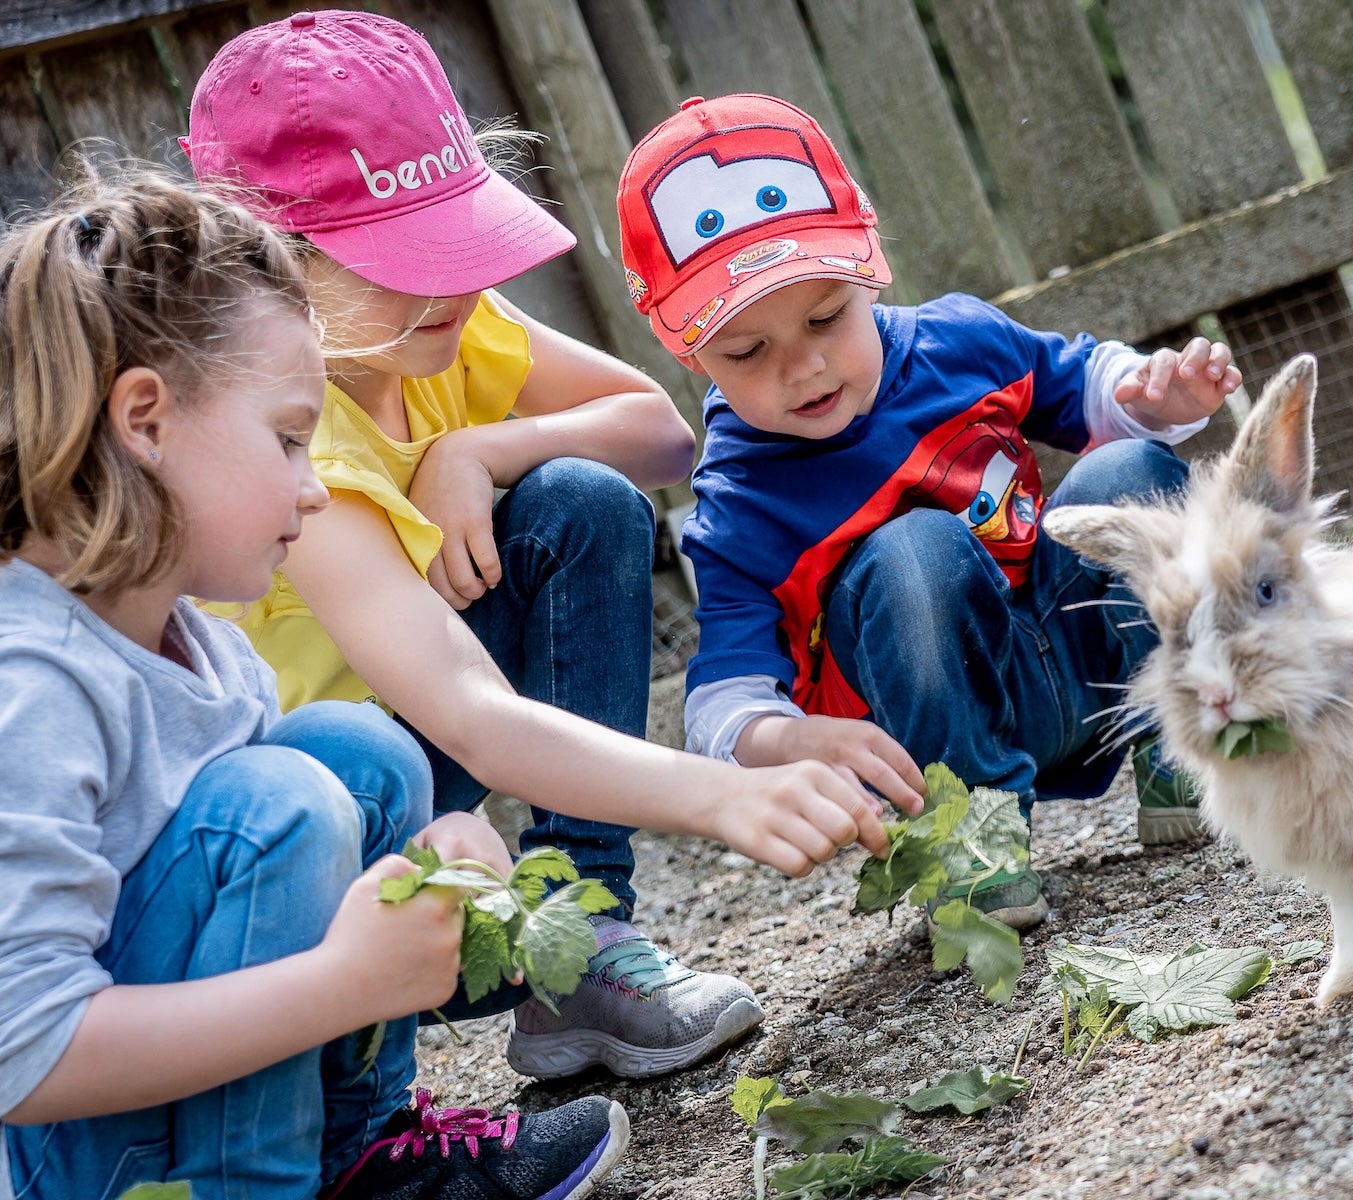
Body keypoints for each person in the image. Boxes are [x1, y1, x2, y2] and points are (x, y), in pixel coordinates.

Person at [181, 12, 904, 1083]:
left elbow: (657, 429)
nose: (448, 286)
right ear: (275, 266)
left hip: (431, 762)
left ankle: (588, 944)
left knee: (578, 500)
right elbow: (475, 719)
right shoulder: (292, 448)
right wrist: (724, 794)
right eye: (399, 260)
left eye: (452, 245)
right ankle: (359, 1072)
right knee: (378, 756)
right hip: (330, 858)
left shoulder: (437, 325)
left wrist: (480, 448)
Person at [0, 172, 630, 1200]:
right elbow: (24, 1050)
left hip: (167, 1097)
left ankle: (358, 1161)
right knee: (278, 801)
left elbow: (269, 871)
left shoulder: (192, 639)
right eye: (291, 437)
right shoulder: (30, 681)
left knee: (359, 757)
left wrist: (422, 865)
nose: (314, 483)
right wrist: (342, 985)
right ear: (145, 421)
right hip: (107, 1165)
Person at [615, 94, 1243, 929]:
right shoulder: (741, 501)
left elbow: (1091, 390)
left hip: (1084, 654)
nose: (802, 367)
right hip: (943, 731)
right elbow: (723, 697)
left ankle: (1187, 746)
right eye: (749, 351)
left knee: (1132, 467)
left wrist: (1156, 395)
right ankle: (972, 845)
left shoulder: (958, 342)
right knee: (912, 549)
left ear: (871, 269)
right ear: (689, 351)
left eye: (825, 318)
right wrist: (791, 741)